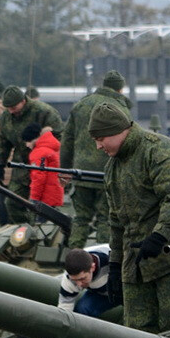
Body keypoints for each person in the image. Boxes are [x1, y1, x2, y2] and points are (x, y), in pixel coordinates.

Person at [90, 100, 170, 333]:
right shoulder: (113, 166)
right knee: (138, 334)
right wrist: (115, 264)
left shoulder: (159, 150)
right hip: (136, 263)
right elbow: (116, 219)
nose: (98, 147)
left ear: (118, 131)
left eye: (100, 139)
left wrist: (160, 236)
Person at [58, 72, 130, 247]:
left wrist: (65, 170)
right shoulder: (120, 108)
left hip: (81, 172)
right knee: (106, 219)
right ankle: (102, 261)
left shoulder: (81, 105)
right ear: (120, 88)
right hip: (107, 173)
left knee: (81, 219)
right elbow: (127, 143)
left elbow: (67, 141)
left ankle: (74, 258)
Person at [35, 247, 119, 338]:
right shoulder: (69, 280)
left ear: (92, 267)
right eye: (76, 281)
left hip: (128, 285)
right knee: (81, 313)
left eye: (82, 279)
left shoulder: (110, 257)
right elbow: (63, 319)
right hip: (102, 294)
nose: (80, 285)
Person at [0, 86, 64, 200]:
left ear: (23, 101)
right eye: (8, 108)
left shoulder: (44, 112)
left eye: (13, 107)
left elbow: (59, 137)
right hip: (21, 165)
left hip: (43, 164)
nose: (11, 111)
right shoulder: (6, 117)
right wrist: (0, 164)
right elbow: (3, 142)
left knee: (40, 205)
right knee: (13, 202)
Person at [24, 124, 65, 208]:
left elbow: (38, 177)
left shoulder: (38, 153)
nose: (27, 145)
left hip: (44, 198)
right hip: (54, 194)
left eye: (27, 142)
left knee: (39, 221)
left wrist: (34, 198)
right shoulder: (52, 148)